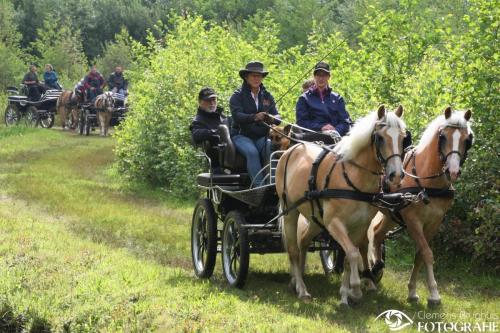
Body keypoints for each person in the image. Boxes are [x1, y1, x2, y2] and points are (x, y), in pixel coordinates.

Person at [229, 61, 280, 186]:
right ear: (246, 77)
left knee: (271, 147)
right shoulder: (237, 96)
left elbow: (278, 116)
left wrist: (272, 118)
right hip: (241, 135)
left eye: (259, 76)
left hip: (261, 136)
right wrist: (255, 117)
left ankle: (273, 184)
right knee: (252, 152)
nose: (257, 78)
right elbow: (237, 116)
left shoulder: (267, 96)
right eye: (253, 75)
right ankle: (259, 187)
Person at [296, 62, 351, 137]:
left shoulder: (338, 98)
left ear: (328, 77)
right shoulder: (304, 99)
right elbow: (301, 123)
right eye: (318, 75)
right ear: (314, 76)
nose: (321, 78)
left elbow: (345, 122)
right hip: (313, 137)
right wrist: (321, 127)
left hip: (336, 137)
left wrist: (335, 131)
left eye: (324, 75)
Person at [190, 87, 225, 173]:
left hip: (235, 157)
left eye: (214, 99)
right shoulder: (198, 120)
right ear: (200, 102)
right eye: (208, 100)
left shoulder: (223, 117)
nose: (212, 103)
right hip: (218, 162)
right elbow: (196, 135)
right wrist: (213, 132)